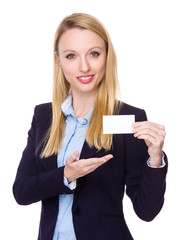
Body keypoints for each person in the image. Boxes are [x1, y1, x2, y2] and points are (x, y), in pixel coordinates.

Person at [13, 13, 168, 240]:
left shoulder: (128, 117)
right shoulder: (44, 115)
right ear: (58, 60)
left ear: (107, 56)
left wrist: (155, 159)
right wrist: (66, 174)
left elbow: (146, 211)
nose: (84, 66)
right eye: (71, 56)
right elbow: (22, 191)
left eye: (94, 54)